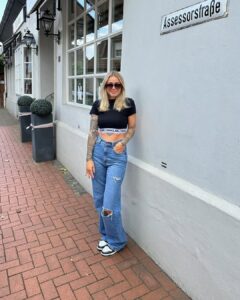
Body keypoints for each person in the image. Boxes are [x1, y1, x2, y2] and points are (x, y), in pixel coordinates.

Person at [86, 71, 136, 256]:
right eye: (110, 84)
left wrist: (124, 142)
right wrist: (88, 159)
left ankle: (117, 241)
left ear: (121, 87)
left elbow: (132, 128)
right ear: (105, 87)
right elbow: (92, 133)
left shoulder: (128, 104)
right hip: (98, 152)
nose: (113, 88)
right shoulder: (98, 105)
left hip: (117, 156)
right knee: (99, 200)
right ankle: (107, 235)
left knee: (109, 203)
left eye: (117, 85)